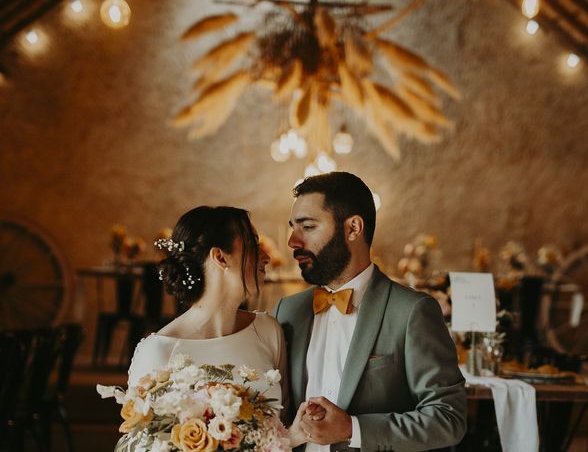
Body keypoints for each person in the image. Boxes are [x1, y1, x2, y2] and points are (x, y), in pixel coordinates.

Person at [273, 172, 467, 452]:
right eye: (293, 227)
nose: (293, 241)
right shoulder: (288, 310)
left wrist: (353, 429)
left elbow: (449, 418)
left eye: (308, 227)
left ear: (353, 228)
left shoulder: (412, 311)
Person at [117, 206, 311, 450]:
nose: (266, 257)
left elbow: (282, 432)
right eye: (253, 244)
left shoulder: (268, 331)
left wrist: (294, 434)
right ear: (220, 257)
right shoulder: (158, 351)